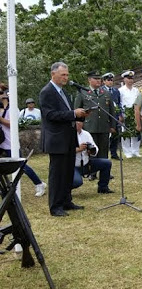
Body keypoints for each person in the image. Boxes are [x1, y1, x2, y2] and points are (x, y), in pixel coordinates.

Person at [39, 62, 91, 216]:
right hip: (56, 139)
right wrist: (73, 114)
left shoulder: (64, 92)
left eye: (67, 75)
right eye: (63, 75)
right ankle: (55, 206)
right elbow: (50, 115)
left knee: (68, 171)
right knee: (57, 173)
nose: (66, 78)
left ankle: (66, 201)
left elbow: (69, 114)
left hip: (68, 137)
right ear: (53, 74)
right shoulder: (47, 92)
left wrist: (80, 115)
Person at [0, 94, 47, 197]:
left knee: (22, 166)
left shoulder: (13, 109)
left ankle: (39, 183)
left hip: (10, 143)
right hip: (1, 142)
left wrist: (1, 119)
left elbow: (13, 124)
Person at [74, 71, 116, 159]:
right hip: (89, 127)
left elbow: (111, 111)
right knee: (91, 151)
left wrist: (112, 126)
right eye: (95, 79)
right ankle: (92, 172)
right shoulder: (83, 93)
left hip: (104, 127)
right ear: (89, 80)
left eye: (99, 79)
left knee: (104, 151)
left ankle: (104, 171)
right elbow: (77, 111)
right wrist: (78, 126)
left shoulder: (106, 93)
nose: (98, 81)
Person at [72, 121, 114, 194]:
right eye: (76, 122)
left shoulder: (86, 134)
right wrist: (78, 149)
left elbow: (95, 149)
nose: (78, 123)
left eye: (80, 122)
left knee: (106, 163)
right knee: (77, 182)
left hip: (86, 163)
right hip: (72, 166)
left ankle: (103, 188)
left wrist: (91, 151)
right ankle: (62, 189)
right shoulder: (66, 134)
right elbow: (63, 151)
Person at [119, 70, 141, 158]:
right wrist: (120, 114)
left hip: (135, 113)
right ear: (124, 79)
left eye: (132, 78)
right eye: (128, 78)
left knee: (136, 132)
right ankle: (127, 151)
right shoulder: (120, 90)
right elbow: (118, 103)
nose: (130, 80)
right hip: (125, 114)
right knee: (126, 133)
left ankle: (135, 150)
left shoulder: (136, 90)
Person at [101, 72, 122, 160]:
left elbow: (119, 103)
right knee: (105, 137)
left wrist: (120, 114)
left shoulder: (116, 91)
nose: (110, 82)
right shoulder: (101, 90)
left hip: (115, 116)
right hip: (105, 116)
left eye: (111, 80)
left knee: (115, 135)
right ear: (104, 81)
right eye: (108, 80)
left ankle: (114, 153)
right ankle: (104, 153)